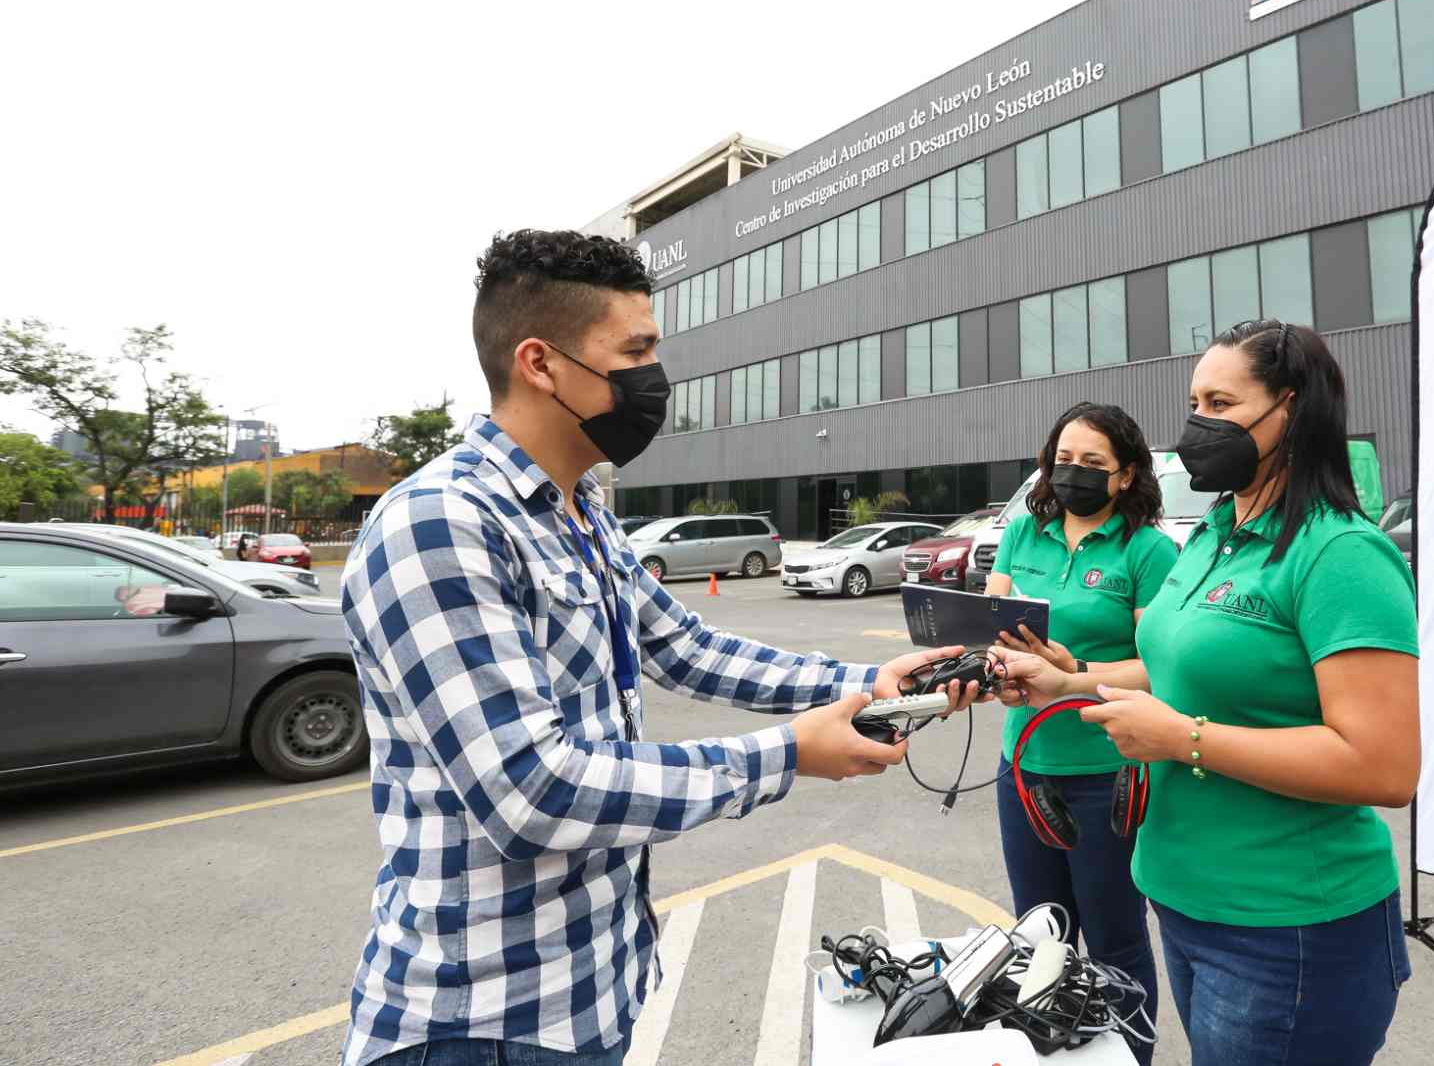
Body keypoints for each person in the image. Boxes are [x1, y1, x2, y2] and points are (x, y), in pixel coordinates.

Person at [339, 230, 983, 1066]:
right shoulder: (441, 524)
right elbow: (534, 793)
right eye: (634, 350)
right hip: (482, 1021)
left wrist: (880, 681)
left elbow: (689, 648)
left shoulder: (581, 512)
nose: (655, 378)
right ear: (540, 363)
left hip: (593, 987)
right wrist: (789, 755)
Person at [997, 319, 1419, 1066]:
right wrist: (1071, 679)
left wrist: (1184, 739)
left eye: (1221, 403)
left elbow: (1382, 768)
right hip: (1184, 904)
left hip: (1286, 930)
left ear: (1291, 409)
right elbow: (1174, 670)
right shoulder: (1213, 535)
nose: (1200, 424)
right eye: (1195, 401)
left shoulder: (1342, 553)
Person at [982, 402, 1176, 1064]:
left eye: (1093, 463)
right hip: (1025, 766)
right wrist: (996, 669)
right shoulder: (1020, 535)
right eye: (1064, 459)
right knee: (1039, 933)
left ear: (1124, 476)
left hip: (1107, 772)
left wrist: (1074, 678)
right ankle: (1049, 1050)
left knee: (1117, 940)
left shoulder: (1148, 550)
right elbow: (992, 628)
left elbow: (1161, 667)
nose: (1075, 473)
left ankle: (1131, 1058)